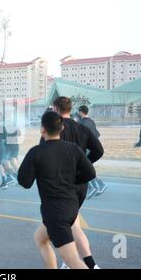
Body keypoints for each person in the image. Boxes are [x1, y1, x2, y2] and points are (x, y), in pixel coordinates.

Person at [19, 111, 96, 269]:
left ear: (42, 130)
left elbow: (25, 182)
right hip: (71, 207)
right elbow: (90, 173)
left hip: (55, 212)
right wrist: (72, 180)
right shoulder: (73, 149)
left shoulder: (36, 152)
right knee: (40, 239)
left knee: (72, 260)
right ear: (61, 129)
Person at [41, 97, 104, 269]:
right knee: (72, 223)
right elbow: (99, 150)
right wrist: (84, 164)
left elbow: (44, 157)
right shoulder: (81, 128)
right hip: (80, 183)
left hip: (61, 185)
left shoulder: (53, 129)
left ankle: (90, 265)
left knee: (72, 225)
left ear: (55, 109)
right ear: (71, 109)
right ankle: (70, 261)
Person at [78, 105, 108, 198]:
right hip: (91, 148)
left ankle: (93, 187)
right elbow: (96, 135)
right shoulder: (91, 121)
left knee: (82, 168)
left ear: (81, 112)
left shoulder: (81, 122)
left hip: (84, 148)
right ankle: (99, 185)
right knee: (88, 168)